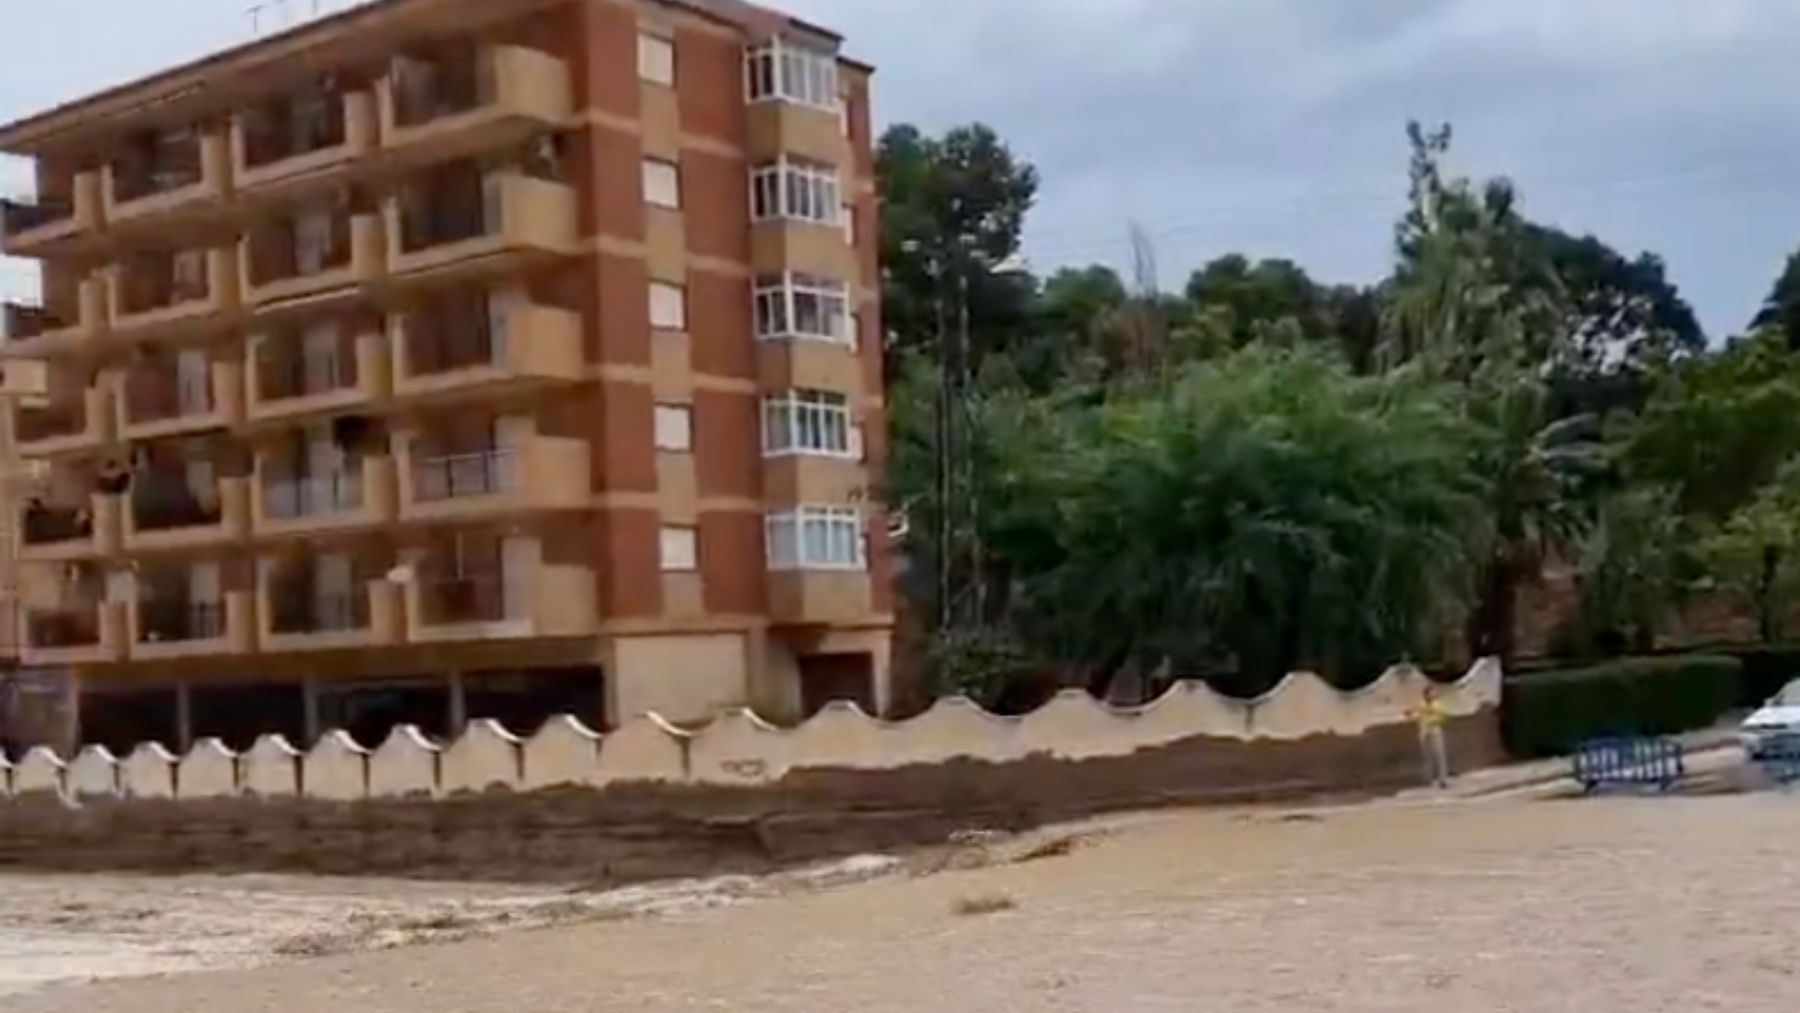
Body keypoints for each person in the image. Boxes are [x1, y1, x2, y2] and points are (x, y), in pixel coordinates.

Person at [1406, 685, 1451, 790]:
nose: (1432, 695)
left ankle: (1443, 779)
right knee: (1427, 757)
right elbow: (1416, 715)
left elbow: (1443, 717)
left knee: (1439, 755)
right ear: (1426, 694)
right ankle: (1429, 778)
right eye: (1430, 693)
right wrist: (1410, 714)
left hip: (1435, 730)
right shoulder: (1421, 704)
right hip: (1424, 732)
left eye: (1433, 693)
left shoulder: (1438, 704)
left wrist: (1432, 719)